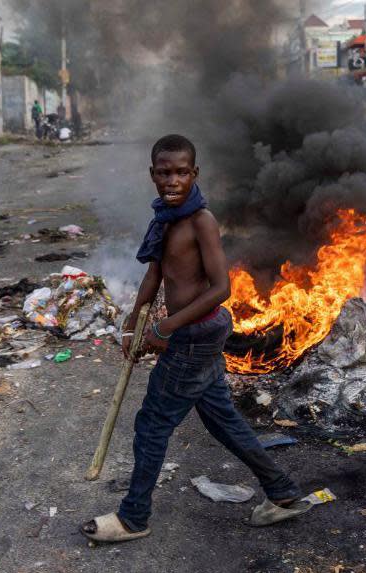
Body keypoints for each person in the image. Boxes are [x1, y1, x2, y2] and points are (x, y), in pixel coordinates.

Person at [80, 135, 304, 543]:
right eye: (164, 172)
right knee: (223, 420)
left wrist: (165, 328)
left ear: (194, 174)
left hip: (194, 336)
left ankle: (133, 518)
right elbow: (154, 275)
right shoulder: (165, 219)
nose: (173, 180)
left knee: (151, 425)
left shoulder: (201, 221)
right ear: (152, 175)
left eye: (181, 172)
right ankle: (283, 492)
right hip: (195, 334)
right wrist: (133, 324)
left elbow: (221, 289)